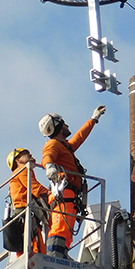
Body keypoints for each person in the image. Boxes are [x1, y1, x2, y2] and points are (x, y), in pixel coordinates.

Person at [38, 106, 106, 259]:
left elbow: (79, 137)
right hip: (64, 193)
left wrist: (93, 120)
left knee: (66, 230)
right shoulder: (53, 144)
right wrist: (49, 166)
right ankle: (54, 255)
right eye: (63, 123)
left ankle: (61, 254)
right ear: (57, 127)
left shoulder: (65, 146)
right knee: (60, 227)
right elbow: (47, 155)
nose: (67, 125)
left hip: (71, 195)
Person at [6, 148, 49, 254]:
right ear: (17, 160)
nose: (30, 155)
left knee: (24, 245)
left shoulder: (21, 172)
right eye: (26, 154)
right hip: (25, 212)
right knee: (34, 243)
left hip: (23, 213)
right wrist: (52, 194)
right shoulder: (22, 170)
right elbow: (35, 188)